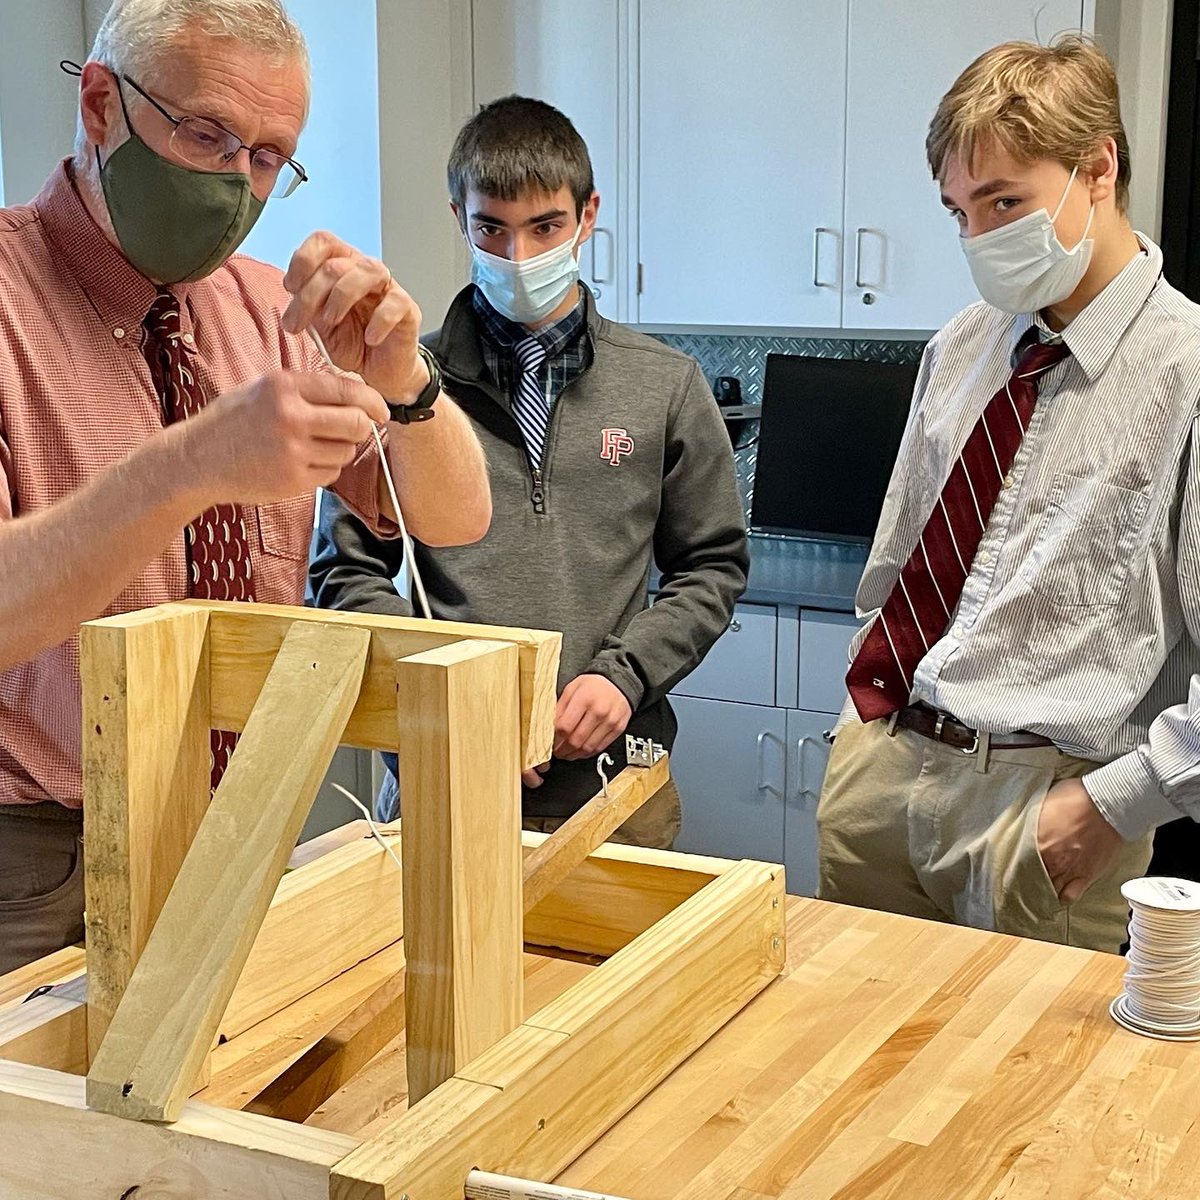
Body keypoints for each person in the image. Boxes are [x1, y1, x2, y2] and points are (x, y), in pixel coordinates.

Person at [0, 0, 491, 975]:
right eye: (207, 136)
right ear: (101, 106)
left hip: (236, 828)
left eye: (268, 158)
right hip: (37, 860)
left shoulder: (266, 310)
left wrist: (405, 378)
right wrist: (189, 466)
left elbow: (454, 514)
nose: (238, 182)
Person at [817, 36, 1200, 954]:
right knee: (844, 1069)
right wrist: (856, 728)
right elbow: (900, 559)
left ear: (1097, 167)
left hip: (1050, 803)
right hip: (885, 768)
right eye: (959, 211)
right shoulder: (963, 345)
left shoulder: (1188, 372)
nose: (979, 239)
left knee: (1019, 1092)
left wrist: (1114, 804)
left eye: (1005, 202)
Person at [311, 96, 748, 847]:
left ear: (587, 215)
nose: (518, 257)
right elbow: (344, 576)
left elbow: (711, 567)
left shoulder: (666, 385)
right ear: (460, 218)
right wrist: (442, 708)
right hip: (437, 781)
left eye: (544, 227)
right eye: (492, 228)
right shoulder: (401, 385)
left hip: (615, 791)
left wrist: (626, 676)